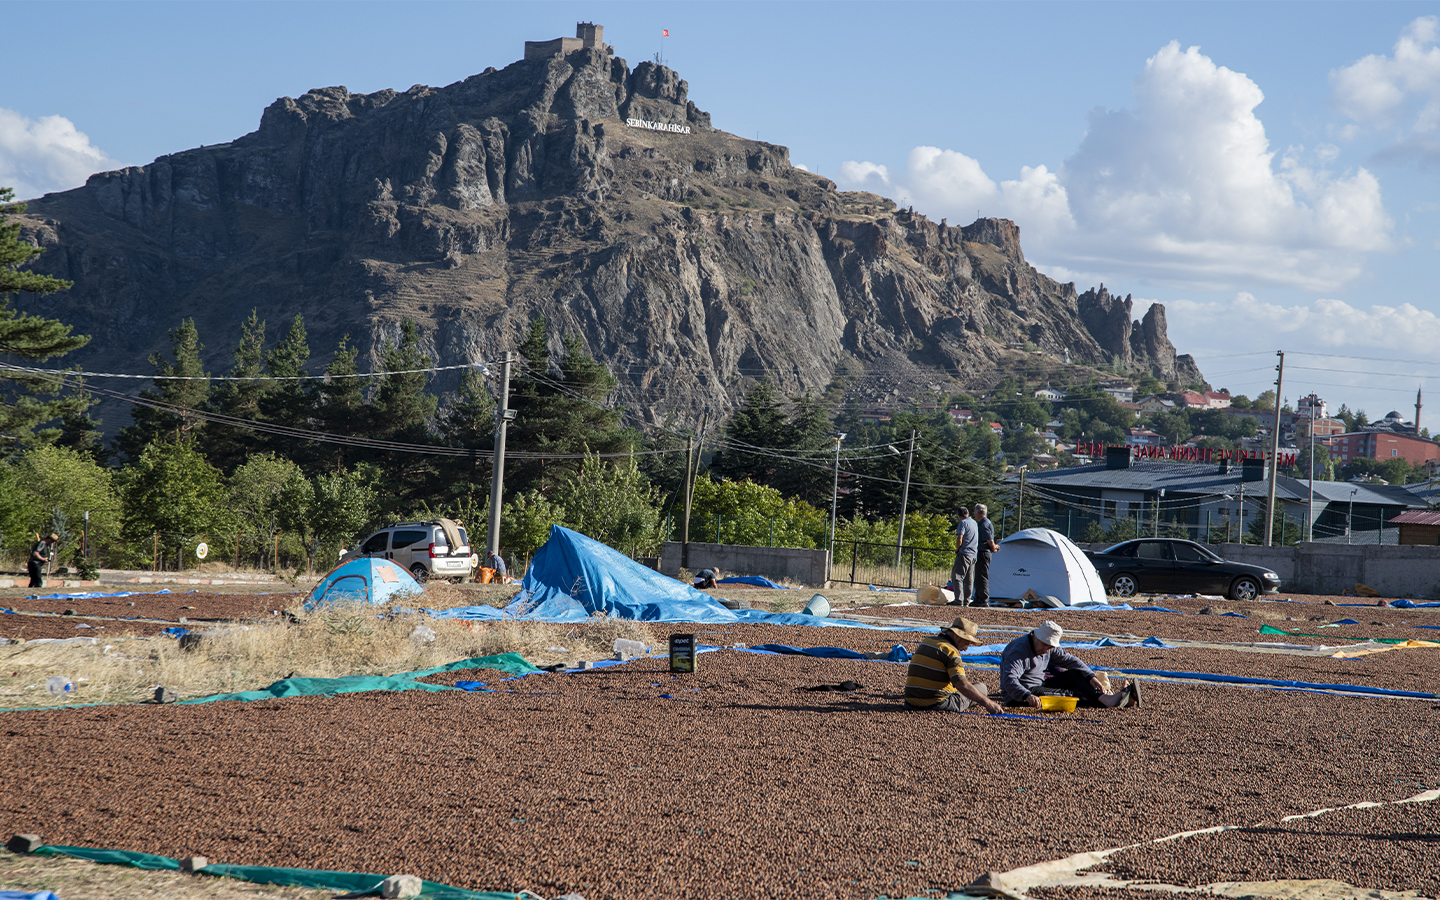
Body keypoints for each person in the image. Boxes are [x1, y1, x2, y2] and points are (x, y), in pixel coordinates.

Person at [999, 620, 1141, 709]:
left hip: (1039, 686)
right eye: (1044, 645)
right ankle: (1110, 701)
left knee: (1075, 675)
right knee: (1071, 694)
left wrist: (1091, 676)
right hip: (1021, 695)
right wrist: (1026, 695)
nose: (1046, 650)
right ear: (1036, 636)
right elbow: (1009, 680)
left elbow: (1071, 660)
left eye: (1050, 647)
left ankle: (1108, 698)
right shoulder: (1019, 651)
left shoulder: (1047, 648)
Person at [904, 616, 1005, 714]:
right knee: (982, 688)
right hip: (937, 704)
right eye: (967, 643)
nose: (966, 648)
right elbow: (962, 685)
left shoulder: (926, 641)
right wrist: (988, 703)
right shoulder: (951, 652)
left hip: (910, 702)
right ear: (956, 635)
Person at [949, 507, 979, 606]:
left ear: (959, 516)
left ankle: (958, 600)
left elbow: (960, 537)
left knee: (957, 576)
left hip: (964, 553)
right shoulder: (974, 522)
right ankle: (967, 600)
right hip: (973, 554)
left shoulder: (963, 523)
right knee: (969, 579)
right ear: (968, 512)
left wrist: (957, 548)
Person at [972, 503, 999, 607]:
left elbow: (989, 540)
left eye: (975, 512)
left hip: (983, 552)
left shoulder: (984, 524)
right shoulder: (984, 523)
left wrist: (993, 548)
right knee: (978, 576)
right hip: (982, 552)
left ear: (978, 513)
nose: (974, 514)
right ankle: (978, 598)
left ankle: (983, 599)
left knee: (982, 576)